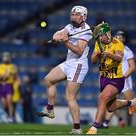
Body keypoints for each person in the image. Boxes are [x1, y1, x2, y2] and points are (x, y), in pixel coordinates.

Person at [36, 6, 92, 134]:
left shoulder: (87, 31)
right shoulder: (70, 26)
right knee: (48, 80)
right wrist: (57, 37)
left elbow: (79, 51)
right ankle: (50, 109)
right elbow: (58, 33)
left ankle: (77, 128)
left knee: (70, 97)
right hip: (69, 62)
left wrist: (65, 41)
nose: (73, 17)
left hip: (78, 65)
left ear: (84, 17)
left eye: (77, 15)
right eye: (72, 14)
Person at [86, 22, 136, 134]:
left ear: (108, 34)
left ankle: (94, 127)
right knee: (110, 107)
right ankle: (130, 103)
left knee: (102, 97)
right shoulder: (98, 43)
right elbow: (93, 61)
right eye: (99, 36)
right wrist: (97, 54)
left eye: (102, 35)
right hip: (104, 79)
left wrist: (108, 54)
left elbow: (119, 58)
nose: (100, 37)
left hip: (117, 79)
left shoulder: (117, 43)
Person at [101, 30, 136, 129]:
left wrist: (123, 77)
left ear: (124, 39)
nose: (118, 37)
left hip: (123, 79)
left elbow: (132, 67)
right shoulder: (112, 48)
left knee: (131, 101)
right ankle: (105, 122)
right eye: (117, 35)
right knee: (110, 100)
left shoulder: (127, 50)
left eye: (120, 36)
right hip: (113, 78)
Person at [0, 52, 18, 123]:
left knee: (9, 101)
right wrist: (4, 76)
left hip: (9, 85)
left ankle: (11, 117)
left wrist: (12, 74)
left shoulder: (13, 66)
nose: (6, 58)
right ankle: (9, 115)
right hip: (1, 86)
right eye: (5, 56)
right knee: (4, 103)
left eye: (7, 56)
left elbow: (15, 78)